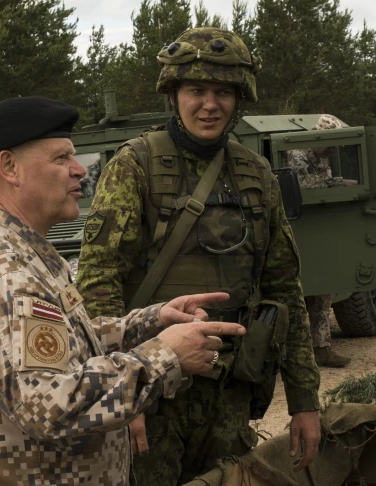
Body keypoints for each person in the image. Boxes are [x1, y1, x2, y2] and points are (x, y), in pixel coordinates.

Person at [0, 96, 247, 486]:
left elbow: (61, 349)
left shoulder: (19, 248)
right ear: (10, 167)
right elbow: (49, 405)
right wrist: (166, 354)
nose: (80, 171)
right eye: (61, 159)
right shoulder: (3, 270)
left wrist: (148, 323)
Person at [76, 27, 321, 485]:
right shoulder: (135, 166)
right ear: (174, 95)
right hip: (154, 391)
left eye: (223, 92)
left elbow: (285, 290)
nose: (210, 104)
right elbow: (98, 286)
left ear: (239, 98)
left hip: (231, 389)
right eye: (196, 90)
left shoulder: (257, 174)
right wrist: (120, 397)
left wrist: (305, 401)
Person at [284, 113, 354, 367]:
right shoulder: (297, 155)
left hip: (320, 233)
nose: (332, 149)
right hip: (298, 232)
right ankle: (297, 353)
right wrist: (338, 182)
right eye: (330, 142)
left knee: (323, 292)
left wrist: (336, 182)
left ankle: (321, 347)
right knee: (297, 296)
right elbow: (309, 188)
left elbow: (323, 182)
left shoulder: (322, 157)